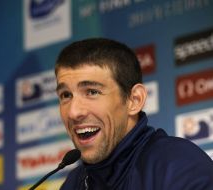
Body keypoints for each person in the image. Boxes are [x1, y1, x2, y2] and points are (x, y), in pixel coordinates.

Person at [54, 38, 213, 190]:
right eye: (66, 95)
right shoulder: (73, 183)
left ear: (134, 100)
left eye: (92, 92)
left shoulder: (178, 165)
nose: (74, 112)